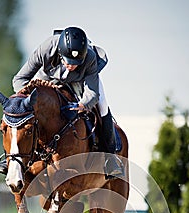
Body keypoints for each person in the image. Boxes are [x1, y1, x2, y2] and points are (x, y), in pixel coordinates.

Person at [11, 26, 123, 178]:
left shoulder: (89, 58)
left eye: (76, 62)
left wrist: (83, 104)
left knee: (102, 105)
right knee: (21, 112)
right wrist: (28, 98)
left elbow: (92, 92)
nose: (71, 66)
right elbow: (19, 79)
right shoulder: (46, 49)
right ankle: (11, 159)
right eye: (69, 61)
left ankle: (110, 159)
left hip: (81, 81)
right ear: (59, 53)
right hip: (48, 77)